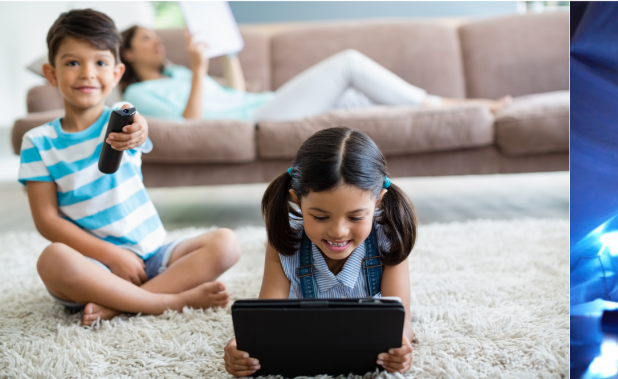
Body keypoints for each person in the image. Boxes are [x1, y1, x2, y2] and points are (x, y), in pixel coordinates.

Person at [22, 9, 241, 326]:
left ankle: (120, 306)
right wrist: (112, 256)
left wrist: (139, 128)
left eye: (100, 62)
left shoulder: (121, 116)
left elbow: (137, 122)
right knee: (53, 259)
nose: (87, 73)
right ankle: (169, 300)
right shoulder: (38, 142)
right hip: (95, 269)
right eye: (72, 62)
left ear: (117, 73)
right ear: (51, 73)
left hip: (152, 256)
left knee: (226, 243)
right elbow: (47, 220)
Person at [223, 127, 416, 376]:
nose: (338, 231)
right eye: (320, 216)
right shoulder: (285, 240)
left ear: (378, 201)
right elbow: (267, 318)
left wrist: (401, 344)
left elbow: (403, 322)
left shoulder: (390, 237)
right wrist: (242, 348)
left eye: (356, 217)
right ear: (297, 200)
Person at [117, 25, 512, 122]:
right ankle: (453, 105)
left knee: (357, 97)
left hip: (260, 104)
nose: (158, 44)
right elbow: (193, 121)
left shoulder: (179, 73)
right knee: (348, 63)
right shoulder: (143, 95)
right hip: (253, 121)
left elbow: (235, 91)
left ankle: (449, 111)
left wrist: (225, 49)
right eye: (147, 40)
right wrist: (201, 69)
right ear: (128, 53)